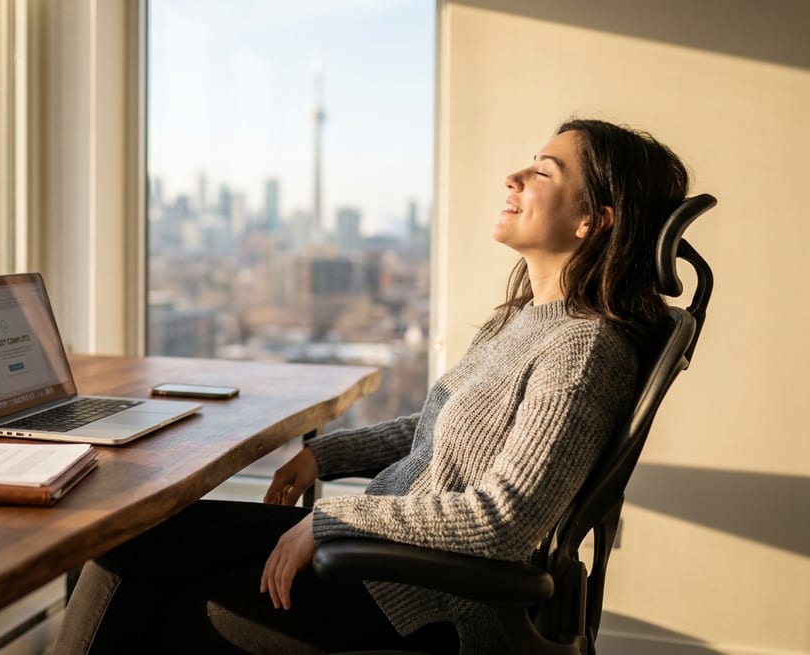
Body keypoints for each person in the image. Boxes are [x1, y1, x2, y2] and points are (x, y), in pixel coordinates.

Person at [51, 118, 690, 654]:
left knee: (169, 609)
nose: (513, 178)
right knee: (128, 539)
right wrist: (325, 457)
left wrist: (329, 521)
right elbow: (437, 434)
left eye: (544, 172)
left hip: (419, 596)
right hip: (378, 551)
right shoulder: (523, 321)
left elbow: (502, 523)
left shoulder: (583, 352)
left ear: (594, 222)